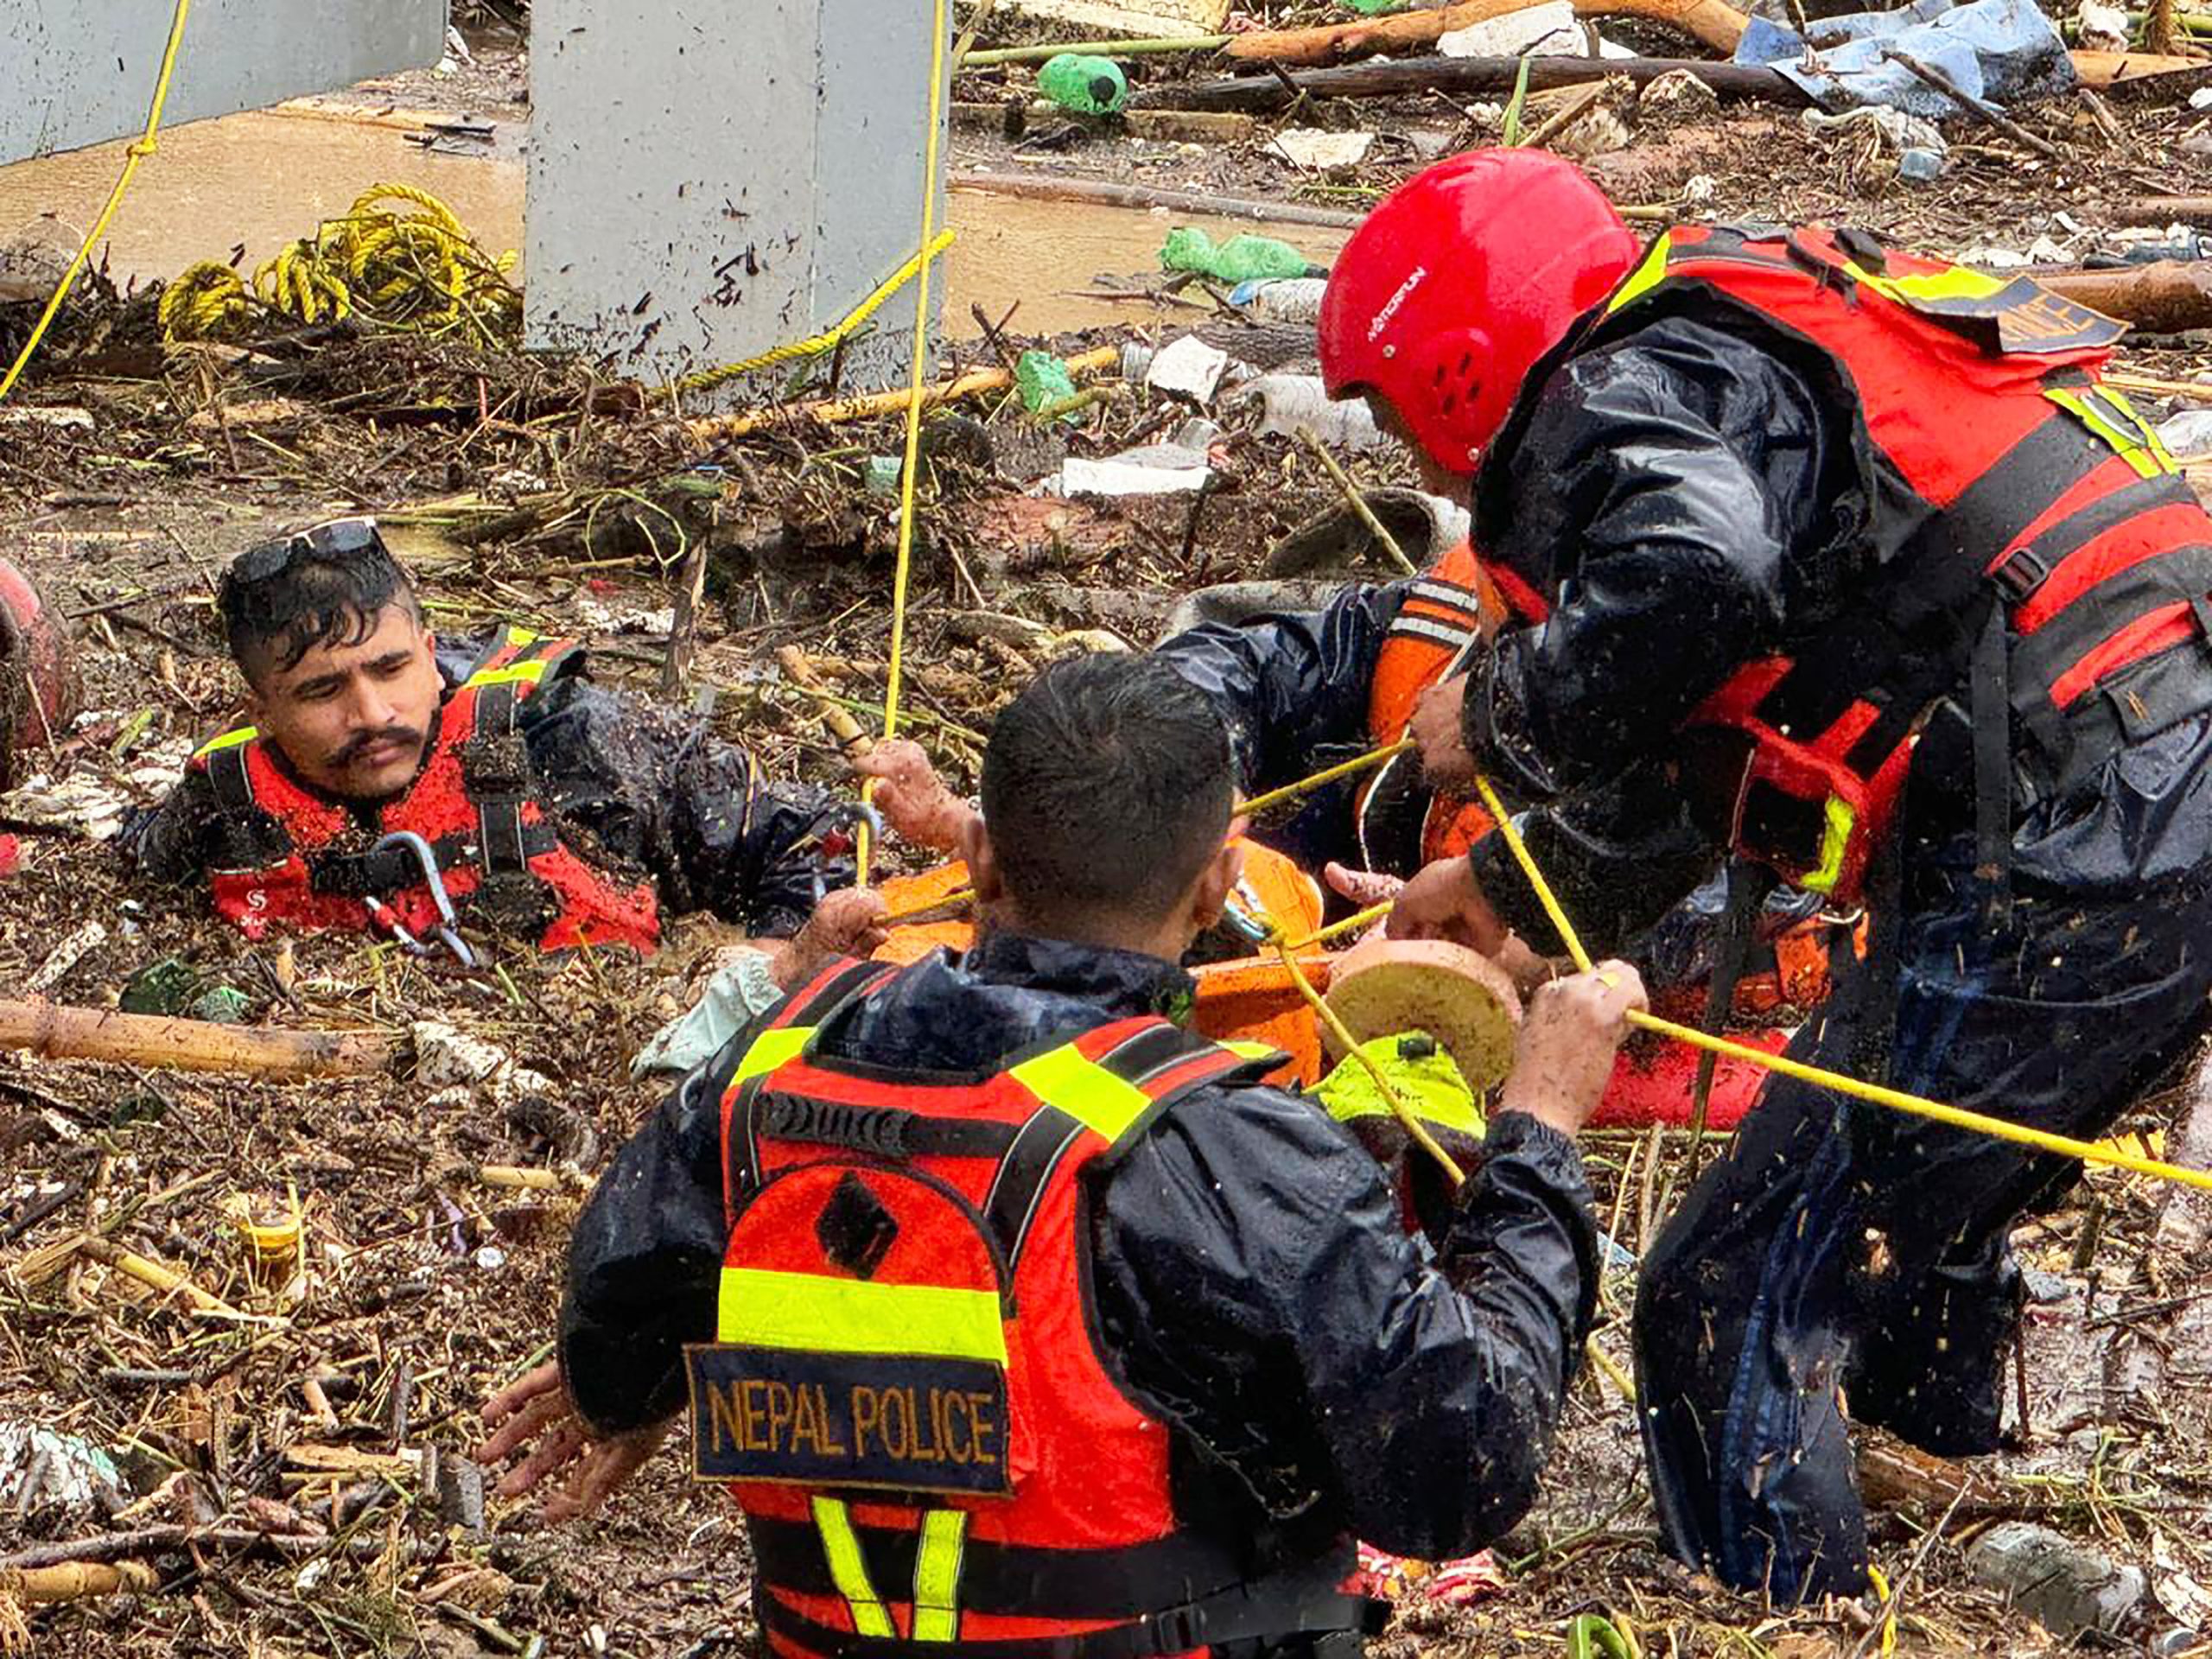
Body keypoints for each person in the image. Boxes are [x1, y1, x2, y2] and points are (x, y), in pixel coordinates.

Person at [1321, 148, 2212, 1601]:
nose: (1418, 463)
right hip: (2146, 772)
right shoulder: (1722, 348)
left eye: (1397, 416)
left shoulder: (1611, 394)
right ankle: (1952, 1540)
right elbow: (1745, 726)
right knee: (1902, 1232)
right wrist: (1507, 893)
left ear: (1458, 368)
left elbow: (1696, 577)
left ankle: (1780, 1616)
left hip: (2083, 816)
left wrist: (1491, 712)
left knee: (1720, 1298)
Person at [476, 654, 1647, 1656]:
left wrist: (620, 1390)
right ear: (1219, 883)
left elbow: (624, 1293)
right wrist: (1538, 1129)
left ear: (981, 862)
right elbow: (1463, 1470)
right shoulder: (1226, 1146)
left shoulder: (774, 1067)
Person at [125, 518, 883, 978]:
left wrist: (780, 956)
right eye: (323, 693)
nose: (374, 712)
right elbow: (123, 878)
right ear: (259, 712)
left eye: (392, 669)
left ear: (429, 651)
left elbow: (818, 833)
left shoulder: (571, 739)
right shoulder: (220, 806)